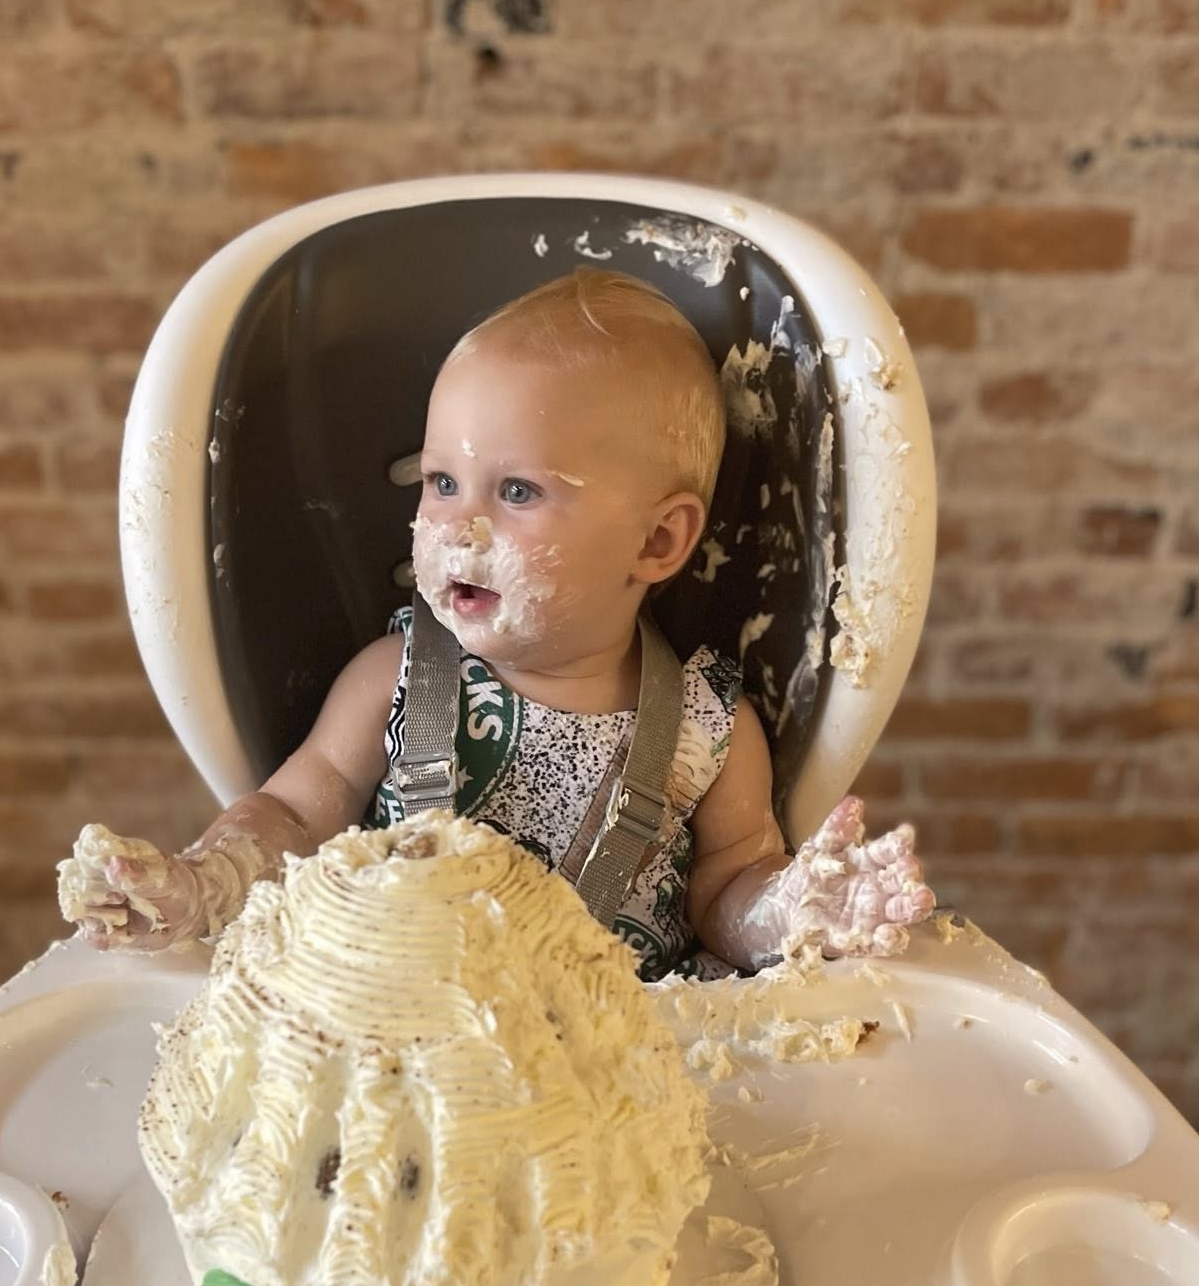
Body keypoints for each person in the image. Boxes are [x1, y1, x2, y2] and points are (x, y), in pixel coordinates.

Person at [59, 270, 933, 975]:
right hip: (395, 1032)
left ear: (659, 540)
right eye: (441, 483)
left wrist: (789, 910)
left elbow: (729, 891)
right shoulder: (393, 680)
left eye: (517, 492)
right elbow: (291, 813)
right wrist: (207, 880)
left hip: (614, 1071)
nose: (458, 527)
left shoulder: (709, 732)